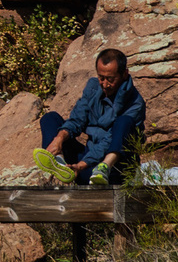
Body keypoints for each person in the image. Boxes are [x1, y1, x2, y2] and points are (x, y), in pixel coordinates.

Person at [32, 48, 145, 185]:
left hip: (116, 169)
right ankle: (60, 164)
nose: (104, 84)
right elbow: (77, 120)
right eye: (101, 78)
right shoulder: (93, 87)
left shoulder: (135, 103)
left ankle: (103, 169)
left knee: (124, 122)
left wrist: (81, 165)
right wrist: (59, 139)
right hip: (87, 163)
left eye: (110, 79)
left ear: (124, 74)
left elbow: (109, 141)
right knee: (50, 118)